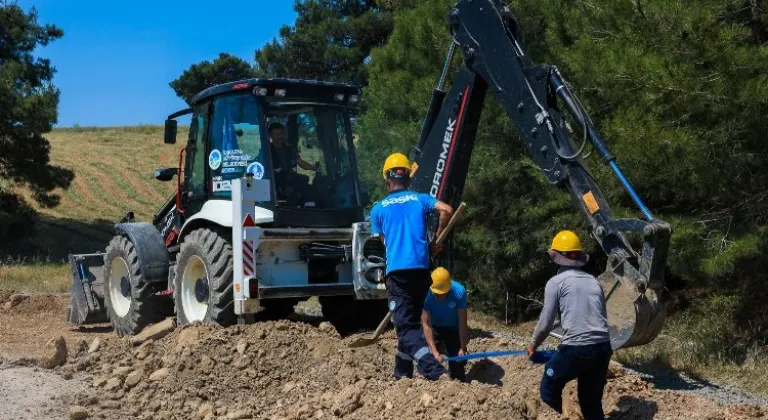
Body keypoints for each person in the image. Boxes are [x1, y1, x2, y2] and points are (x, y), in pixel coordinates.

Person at [370, 152, 454, 381]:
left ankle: (435, 371)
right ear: (408, 177)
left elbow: (384, 241)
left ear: (387, 178)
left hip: (397, 273)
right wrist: (436, 240)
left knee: (406, 328)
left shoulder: (378, 209)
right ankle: (402, 375)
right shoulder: (420, 199)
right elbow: (446, 210)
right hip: (422, 270)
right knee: (415, 322)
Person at [526, 230, 613, 420]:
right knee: (591, 401)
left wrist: (533, 345)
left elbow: (546, 322)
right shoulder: (594, 282)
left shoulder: (556, 283)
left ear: (555, 257)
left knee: (549, 386)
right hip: (603, 348)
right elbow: (600, 318)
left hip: (578, 349)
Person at [421, 267, 469, 382]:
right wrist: (434, 352)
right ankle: (430, 382)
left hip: (453, 329)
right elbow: (426, 325)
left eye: (442, 294)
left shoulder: (459, 292)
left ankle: (458, 382)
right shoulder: (426, 294)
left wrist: (462, 347)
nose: (439, 297)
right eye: (436, 294)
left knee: (457, 361)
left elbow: (462, 322)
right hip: (434, 328)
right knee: (429, 359)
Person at [268, 122, 319, 204]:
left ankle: (310, 210)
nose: (279, 137)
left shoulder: (289, 149)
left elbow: (300, 162)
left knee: (310, 189)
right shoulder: (267, 151)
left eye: (281, 134)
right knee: (291, 195)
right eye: (276, 134)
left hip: (292, 179)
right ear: (270, 136)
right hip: (277, 182)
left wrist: (314, 168)